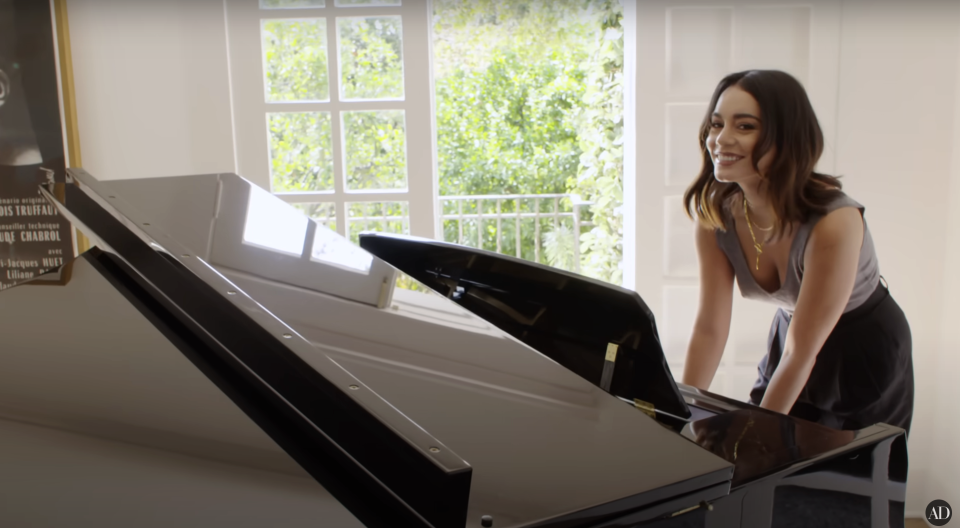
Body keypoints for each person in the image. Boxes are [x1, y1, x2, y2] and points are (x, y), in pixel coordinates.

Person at [681, 69, 914, 435]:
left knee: (839, 477)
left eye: (745, 127)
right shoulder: (716, 216)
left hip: (863, 345)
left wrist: (757, 438)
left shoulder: (835, 221)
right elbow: (710, 328)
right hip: (791, 332)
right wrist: (682, 418)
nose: (720, 139)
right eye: (715, 124)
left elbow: (800, 353)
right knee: (768, 461)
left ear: (786, 137)